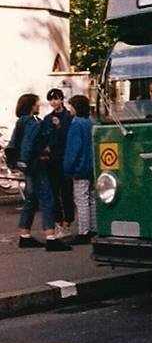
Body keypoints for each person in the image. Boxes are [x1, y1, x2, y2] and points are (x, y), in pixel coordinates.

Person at [13, 93, 71, 251]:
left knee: (30, 199)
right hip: (36, 163)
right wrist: (25, 159)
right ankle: (50, 237)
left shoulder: (22, 121)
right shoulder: (32, 123)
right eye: (37, 103)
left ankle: (25, 235)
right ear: (32, 106)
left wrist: (21, 163)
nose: (39, 105)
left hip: (28, 165)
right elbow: (29, 143)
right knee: (48, 198)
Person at [63, 95, 95, 244]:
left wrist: (68, 168)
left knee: (81, 200)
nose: (70, 109)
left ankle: (84, 231)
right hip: (92, 166)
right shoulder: (91, 123)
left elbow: (73, 149)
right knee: (92, 199)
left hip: (80, 168)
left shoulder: (76, 125)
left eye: (71, 106)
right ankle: (94, 228)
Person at [42, 88, 74, 237]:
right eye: (51, 99)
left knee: (66, 192)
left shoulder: (69, 116)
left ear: (62, 99)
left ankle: (68, 222)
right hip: (51, 160)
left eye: (56, 98)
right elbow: (44, 137)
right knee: (53, 193)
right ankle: (59, 223)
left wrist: (59, 126)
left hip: (64, 158)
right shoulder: (47, 119)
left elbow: (69, 137)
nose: (54, 102)